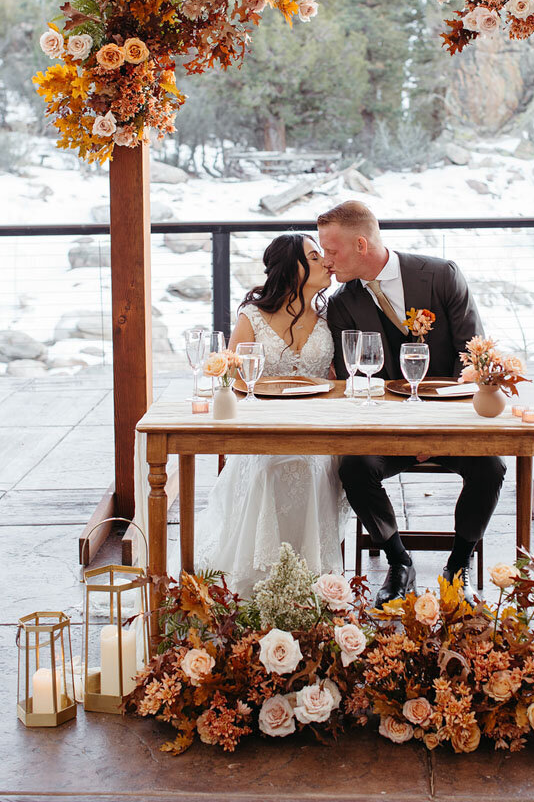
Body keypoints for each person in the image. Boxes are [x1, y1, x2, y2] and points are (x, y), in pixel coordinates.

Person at [317, 200, 505, 607]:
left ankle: (458, 564)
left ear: (361, 245)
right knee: (354, 467)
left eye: (332, 252)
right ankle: (399, 562)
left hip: (449, 421)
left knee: (491, 466)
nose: (326, 262)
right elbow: (357, 380)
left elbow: (472, 357)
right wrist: (403, 430)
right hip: (386, 427)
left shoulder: (441, 275)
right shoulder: (341, 303)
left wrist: (436, 428)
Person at [194, 233, 348, 596]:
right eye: (314, 256)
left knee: (311, 467)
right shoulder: (253, 317)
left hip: (317, 431)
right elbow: (231, 378)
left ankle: (311, 583)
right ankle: (259, 580)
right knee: (268, 467)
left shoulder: (331, 317)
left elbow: (340, 379)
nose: (325, 261)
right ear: (292, 266)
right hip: (263, 429)